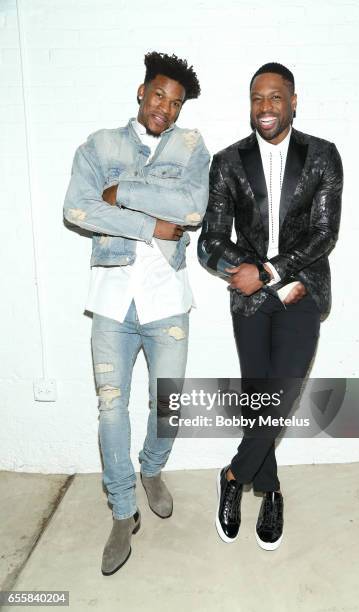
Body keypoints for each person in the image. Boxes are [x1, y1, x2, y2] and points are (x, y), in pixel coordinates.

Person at [64, 51, 210, 575]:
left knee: (167, 405)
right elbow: (77, 208)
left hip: (168, 299)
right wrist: (151, 224)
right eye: (158, 97)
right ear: (141, 92)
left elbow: (193, 209)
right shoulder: (99, 145)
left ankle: (153, 470)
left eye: (175, 104)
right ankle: (122, 511)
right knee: (111, 408)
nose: (164, 110)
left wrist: (123, 192)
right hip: (111, 300)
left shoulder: (192, 147)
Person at [198, 62, 343, 550]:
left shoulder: (323, 156)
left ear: (293, 101)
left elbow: (325, 234)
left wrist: (270, 271)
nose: (265, 107)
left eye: (275, 98)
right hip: (250, 301)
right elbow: (211, 241)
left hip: (302, 292)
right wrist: (249, 272)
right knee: (260, 395)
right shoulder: (228, 162)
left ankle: (234, 475)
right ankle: (272, 488)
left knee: (279, 395)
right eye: (257, 98)